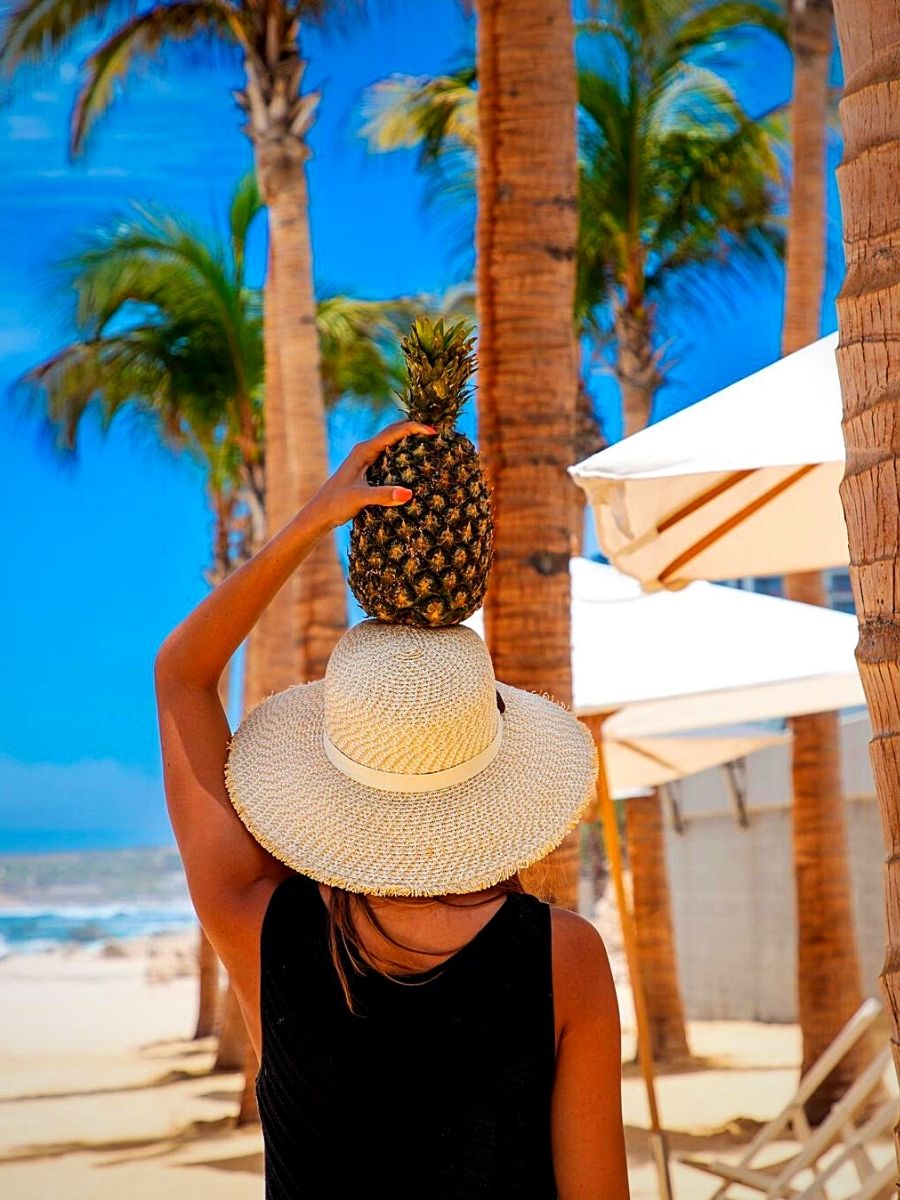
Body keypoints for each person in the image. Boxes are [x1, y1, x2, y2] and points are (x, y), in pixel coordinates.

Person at [154, 420, 630, 1200]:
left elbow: (180, 677)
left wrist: (312, 521)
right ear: (493, 774)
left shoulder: (253, 921)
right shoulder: (564, 959)